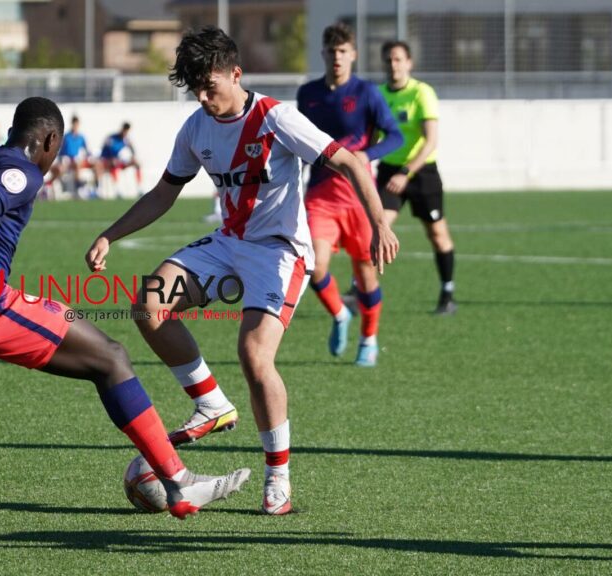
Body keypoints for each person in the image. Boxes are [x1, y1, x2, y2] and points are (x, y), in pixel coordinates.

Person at [0, 96, 251, 542]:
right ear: (50, 139)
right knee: (111, 359)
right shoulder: (22, 171)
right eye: (57, 150)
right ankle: (177, 482)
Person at [85, 27, 398, 516]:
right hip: (229, 243)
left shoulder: (278, 118)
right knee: (149, 304)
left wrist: (379, 223)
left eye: (211, 86)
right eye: (196, 90)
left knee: (254, 355)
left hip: (280, 251)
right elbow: (165, 193)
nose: (205, 98)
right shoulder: (196, 128)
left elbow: (351, 162)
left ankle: (278, 477)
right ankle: (211, 404)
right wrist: (110, 234)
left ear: (237, 73)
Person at [297, 22, 403, 367]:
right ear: (323, 54)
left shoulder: (368, 93)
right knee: (314, 265)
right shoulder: (308, 94)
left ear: (353, 55)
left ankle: (368, 339)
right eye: (331, 52)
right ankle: (340, 314)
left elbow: (395, 137)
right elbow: (298, 142)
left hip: (359, 198)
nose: (337, 57)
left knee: (367, 275)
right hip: (321, 197)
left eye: (343, 51)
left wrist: (367, 155)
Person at [378, 40, 457, 315]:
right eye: (388, 59)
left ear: (409, 62)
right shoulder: (377, 95)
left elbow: (430, 141)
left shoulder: (421, 93)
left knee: (437, 235)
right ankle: (360, 289)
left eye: (398, 59)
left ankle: (447, 293)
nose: (393, 64)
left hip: (421, 174)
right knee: (376, 228)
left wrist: (406, 172)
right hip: (388, 172)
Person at [52, 115, 98, 198]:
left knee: (97, 165)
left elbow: (87, 150)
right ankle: (78, 187)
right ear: (72, 124)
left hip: (78, 160)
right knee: (74, 165)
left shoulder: (81, 137)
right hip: (68, 161)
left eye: (77, 124)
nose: (76, 126)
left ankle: (95, 188)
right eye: (74, 124)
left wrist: (91, 157)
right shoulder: (66, 137)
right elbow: (61, 151)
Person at [98, 121, 143, 196]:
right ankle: (117, 189)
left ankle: (139, 188)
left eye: (127, 131)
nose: (125, 132)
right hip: (108, 162)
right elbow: (106, 152)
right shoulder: (111, 138)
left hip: (120, 161)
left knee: (137, 163)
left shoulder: (126, 140)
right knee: (114, 164)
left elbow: (133, 151)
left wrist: (133, 157)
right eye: (124, 130)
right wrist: (112, 159)